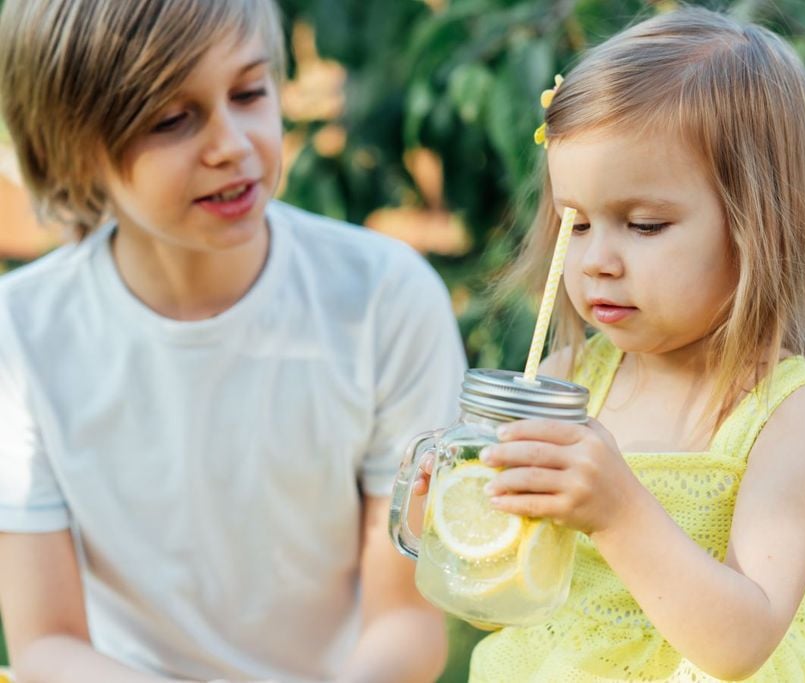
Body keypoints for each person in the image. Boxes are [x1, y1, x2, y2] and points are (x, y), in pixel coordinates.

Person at [0, 1, 465, 682]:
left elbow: (408, 618)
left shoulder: (386, 298)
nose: (233, 144)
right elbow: (45, 641)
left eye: (249, 92)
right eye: (170, 119)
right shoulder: (20, 333)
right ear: (71, 149)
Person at [460, 7, 805, 682]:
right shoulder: (567, 378)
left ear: (758, 226)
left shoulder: (793, 414)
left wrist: (619, 511)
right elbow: (505, 606)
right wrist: (462, 523)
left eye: (642, 224)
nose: (597, 260)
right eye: (576, 224)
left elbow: (740, 643)